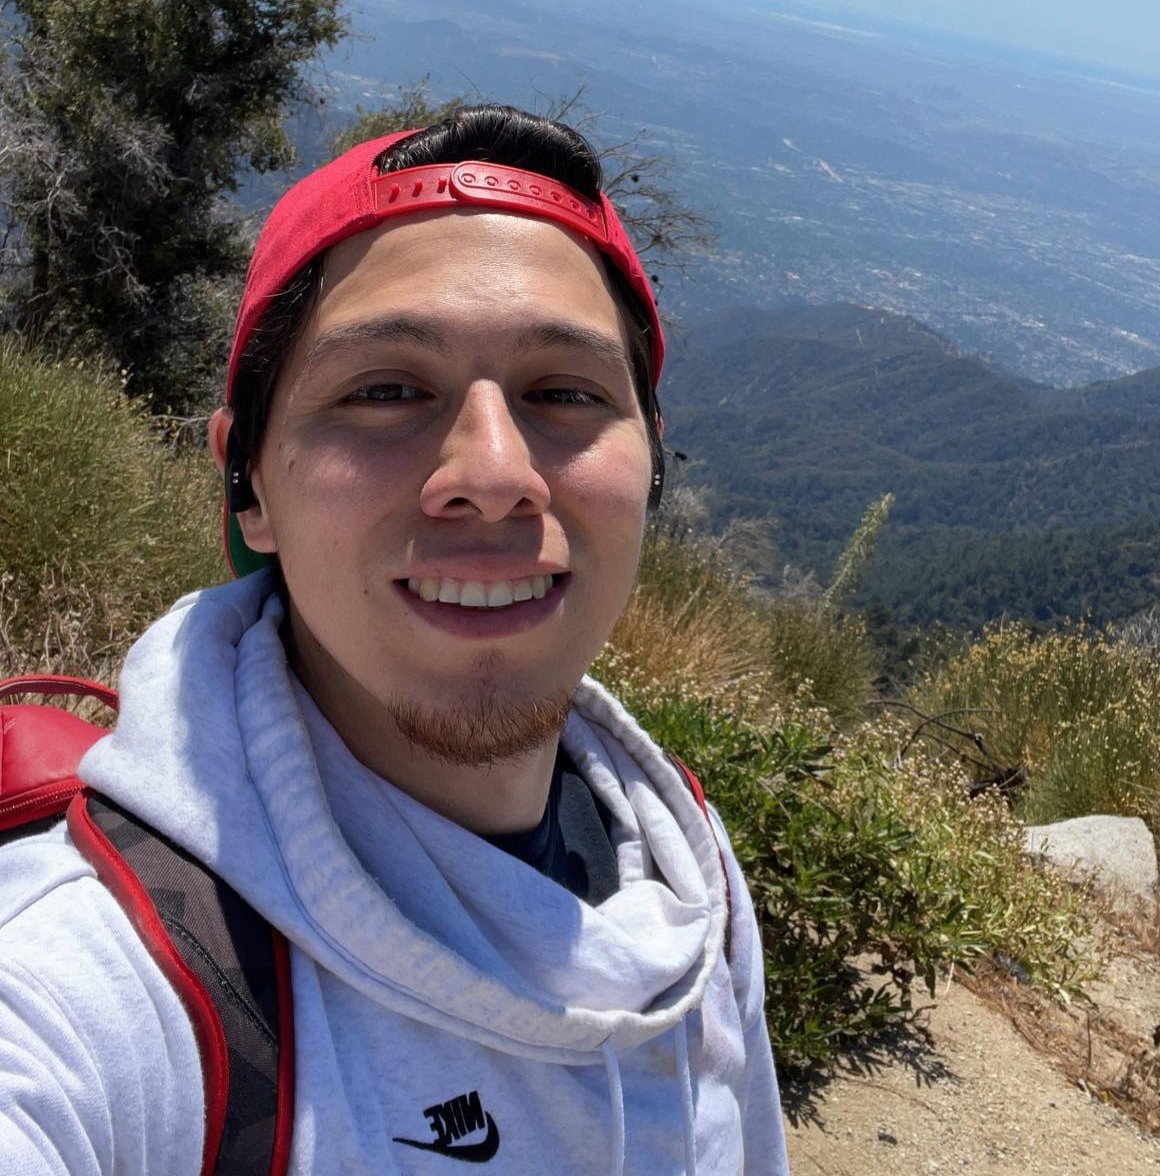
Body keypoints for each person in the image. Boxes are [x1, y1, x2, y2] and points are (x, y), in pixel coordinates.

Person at [0, 104, 790, 1174]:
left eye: (564, 392)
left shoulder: (677, 851)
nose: (494, 472)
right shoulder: (91, 987)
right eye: (383, 391)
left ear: (649, 466)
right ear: (248, 484)